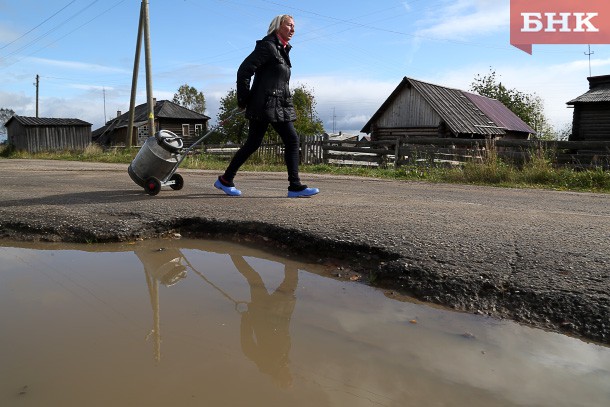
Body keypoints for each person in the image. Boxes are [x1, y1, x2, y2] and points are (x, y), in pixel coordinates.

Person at [214, 14, 319, 198]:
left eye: (294, 26)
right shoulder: (268, 46)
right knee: (292, 139)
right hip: (265, 105)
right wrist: (243, 100)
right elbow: (244, 71)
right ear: (278, 26)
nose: (293, 29)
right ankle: (294, 186)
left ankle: (225, 180)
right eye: (289, 25)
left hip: (278, 104)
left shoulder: (282, 50)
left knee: (253, 143)